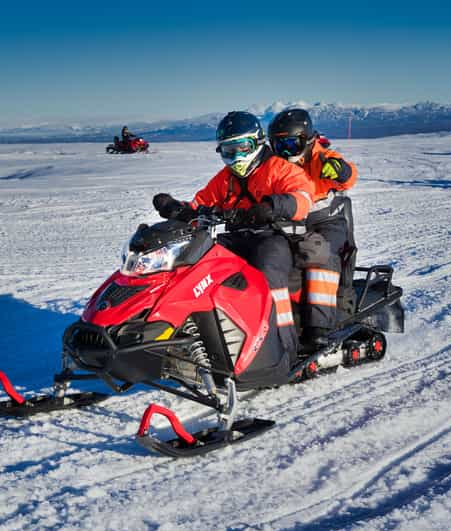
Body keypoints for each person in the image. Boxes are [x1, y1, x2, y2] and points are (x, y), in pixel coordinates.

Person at [152, 111, 314, 363]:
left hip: (274, 237)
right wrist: (176, 209)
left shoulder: (280, 168)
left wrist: (274, 206)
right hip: (236, 237)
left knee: (266, 271)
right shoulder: (225, 179)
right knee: (200, 267)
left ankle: (284, 346)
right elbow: (201, 204)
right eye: (229, 151)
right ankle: (205, 337)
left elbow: (303, 198)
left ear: (258, 143)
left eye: (242, 148)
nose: (237, 157)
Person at [268, 108, 358, 348]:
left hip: (326, 219)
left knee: (320, 254)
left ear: (307, 141)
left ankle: (318, 327)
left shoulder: (321, 157)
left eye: (290, 144)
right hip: (291, 220)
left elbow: (348, 174)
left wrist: (340, 171)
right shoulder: (276, 164)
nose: (285, 152)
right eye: (278, 145)